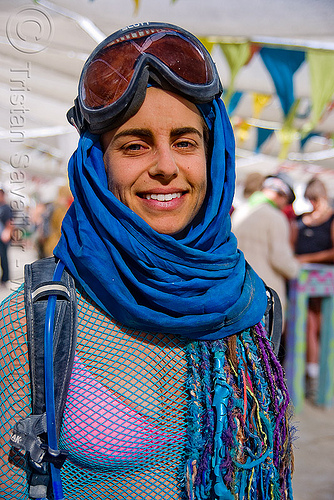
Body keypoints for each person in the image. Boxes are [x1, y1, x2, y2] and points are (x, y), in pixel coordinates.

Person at [0, 23, 294, 500]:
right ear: (97, 164)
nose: (164, 165)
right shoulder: (38, 317)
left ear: (215, 156)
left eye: (185, 141)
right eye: (134, 145)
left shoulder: (255, 308)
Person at [232, 173, 299, 319]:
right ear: (282, 196)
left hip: (240, 291)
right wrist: (296, 269)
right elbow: (280, 260)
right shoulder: (276, 217)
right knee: (268, 340)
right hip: (266, 295)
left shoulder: (241, 211)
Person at [292, 176, 334, 400]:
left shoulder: (331, 218)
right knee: (307, 325)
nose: (314, 204)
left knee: (321, 327)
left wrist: (306, 259)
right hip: (301, 282)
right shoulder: (300, 219)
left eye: (315, 199)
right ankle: (311, 376)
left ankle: (318, 377)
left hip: (325, 283)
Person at [0, 189, 12, 286]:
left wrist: (7, 232)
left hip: (3, 235)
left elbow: (10, 221)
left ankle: (5, 277)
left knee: (4, 257)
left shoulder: (6, 208)